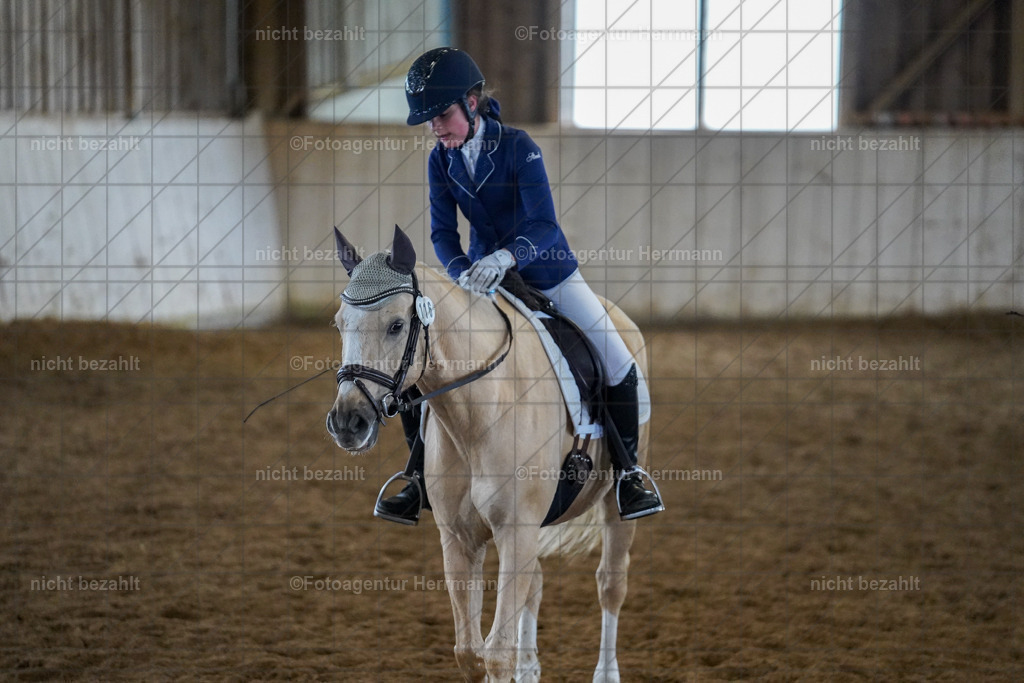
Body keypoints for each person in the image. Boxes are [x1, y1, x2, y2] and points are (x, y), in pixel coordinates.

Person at [374, 46, 663, 525]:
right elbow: (443, 233)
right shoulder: (439, 162)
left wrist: (507, 256)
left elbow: (544, 225)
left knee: (617, 360)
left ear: (472, 102)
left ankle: (629, 474)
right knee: (425, 356)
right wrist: (460, 269)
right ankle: (418, 476)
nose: (436, 129)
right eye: (429, 121)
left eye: (442, 116)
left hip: (549, 273)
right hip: (485, 282)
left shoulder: (518, 146)